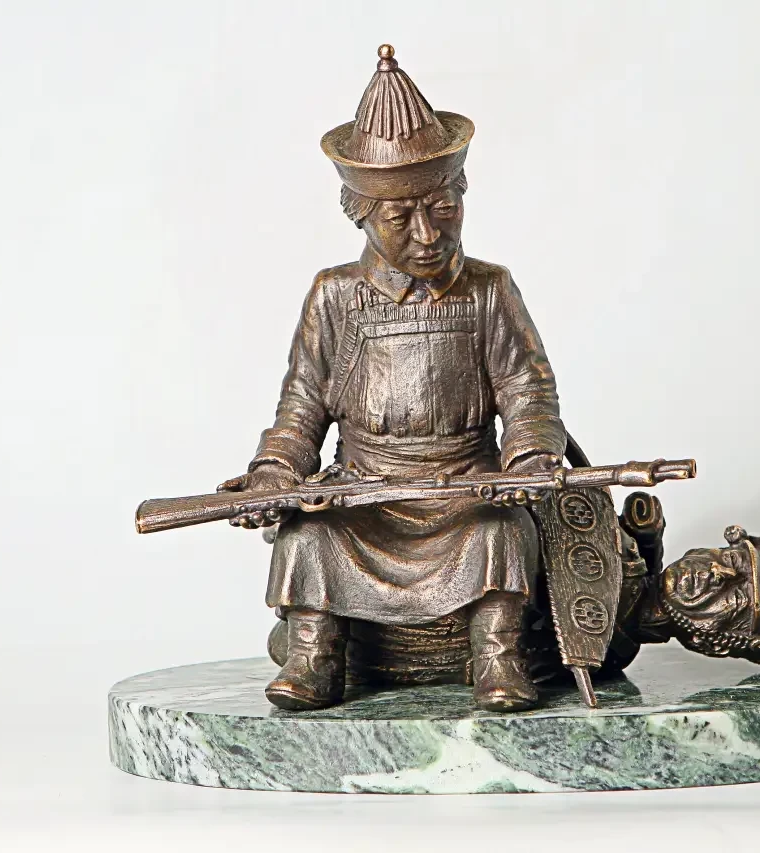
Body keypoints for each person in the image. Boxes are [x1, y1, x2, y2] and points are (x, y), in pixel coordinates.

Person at [222, 45, 565, 712]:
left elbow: (528, 390)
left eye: (443, 209)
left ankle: (496, 654)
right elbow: (301, 408)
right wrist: (274, 474)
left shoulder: (489, 291)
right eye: (400, 218)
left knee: (499, 530)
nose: (427, 233)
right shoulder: (334, 296)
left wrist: (528, 457)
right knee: (311, 534)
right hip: (365, 494)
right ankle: (314, 654)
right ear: (361, 213)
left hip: (464, 489)